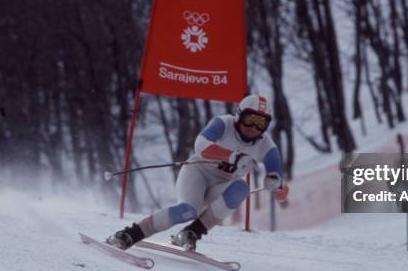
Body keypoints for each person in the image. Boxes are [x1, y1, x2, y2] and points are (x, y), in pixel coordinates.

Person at [107, 94, 289, 252]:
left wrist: (277, 186)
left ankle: (191, 232)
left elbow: (278, 176)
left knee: (241, 187)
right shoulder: (224, 124)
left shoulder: (265, 144)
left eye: (261, 123)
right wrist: (234, 157)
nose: (254, 128)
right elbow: (201, 144)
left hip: (221, 183)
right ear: (239, 116)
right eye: (250, 119)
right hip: (197, 172)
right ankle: (129, 234)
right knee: (187, 210)